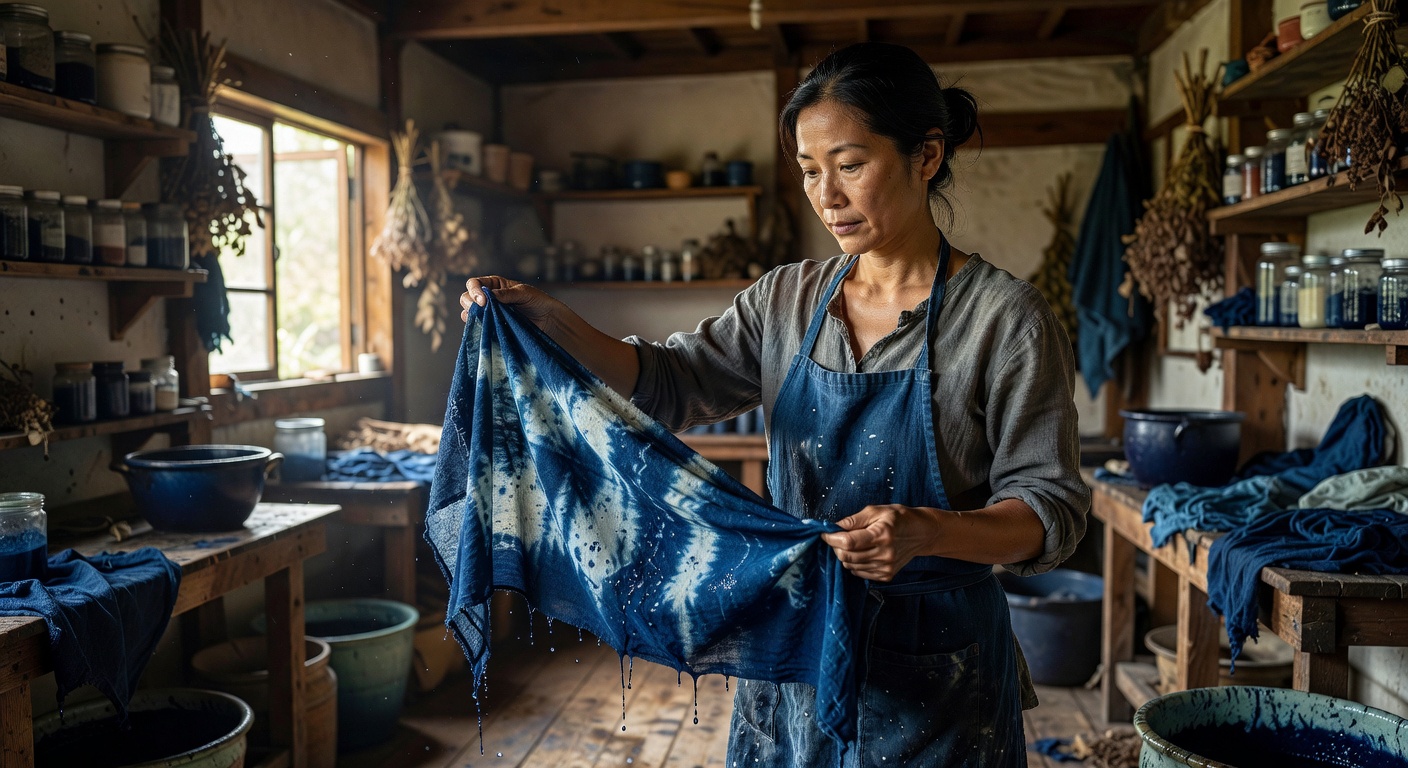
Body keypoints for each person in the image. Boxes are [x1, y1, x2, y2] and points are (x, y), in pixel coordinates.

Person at [461, 42, 1088, 768]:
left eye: (850, 165)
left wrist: (925, 531)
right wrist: (551, 320)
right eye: (810, 170)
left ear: (926, 155)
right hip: (797, 653)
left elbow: (1053, 514)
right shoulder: (786, 300)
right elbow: (669, 382)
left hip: (938, 672)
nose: (827, 195)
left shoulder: (1004, 320)